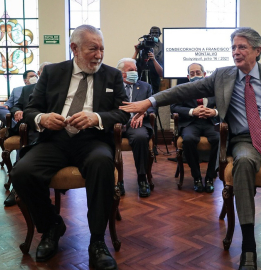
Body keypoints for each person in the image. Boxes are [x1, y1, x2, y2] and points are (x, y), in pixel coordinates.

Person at [121, 27, 261, 270]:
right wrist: (149, 101)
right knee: (243, 163)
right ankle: (248, 248)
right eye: (233, 47)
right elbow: (184, 90)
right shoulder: (222, 76)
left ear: (257, 50)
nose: (236, 51)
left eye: (242, 47)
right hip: (244, 139)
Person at [10, 25, 129, 269]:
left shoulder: (112, 75)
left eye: (102, 49)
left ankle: (97, 240)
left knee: (101, 164)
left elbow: (122, 113)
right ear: (74, 48)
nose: (98, 55)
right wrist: (42, 118)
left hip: (93, 140)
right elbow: (31, 109)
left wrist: (96, 118)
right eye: (92, 49)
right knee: (21, 172)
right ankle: (51, 226)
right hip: (55, 139)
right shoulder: (53, 72)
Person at [3, 62, 52, 207]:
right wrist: (17, 110)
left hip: (54, 128)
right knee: (29, 141)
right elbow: (16, 105)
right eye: (45, 72)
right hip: (31, 127)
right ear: (40, 73)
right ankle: (18, 187)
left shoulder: (62, 90)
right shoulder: (27, 89)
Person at [170, 63, 219, 193]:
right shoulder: (182, 89)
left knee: (219, 140)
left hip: (210, 122)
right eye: (192, 74)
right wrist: (192, 111)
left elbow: (225, 106)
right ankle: (196, 177)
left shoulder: (214, 88)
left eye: (198, 73)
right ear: (188, 76)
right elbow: (173, 107)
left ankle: (210, 177)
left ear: (204, 75)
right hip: (190, 123)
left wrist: (214, 112)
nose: (195, 76)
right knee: (189, 139)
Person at [116, 58, 155, 198]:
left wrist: (143, 113)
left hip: (137, 123)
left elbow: (153, 108)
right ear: (121, 74)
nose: (135, 73)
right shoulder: (113, 86)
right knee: (105, 139)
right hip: (117, 123)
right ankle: (117, 180)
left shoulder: (145, 87)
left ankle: (142, 178)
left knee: (140, 137)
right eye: (131, 70)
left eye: (136, 70)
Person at [132, 26, 164, 94]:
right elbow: (132, 63)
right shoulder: (143, 44)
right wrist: (137, 51)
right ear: (150, 34)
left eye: (156, 33)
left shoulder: (162, 46)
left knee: (154, 95)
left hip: (155, 75)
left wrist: (153, 59)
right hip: (141, 74)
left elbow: (161, 69)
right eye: (152, 33)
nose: (154, 35)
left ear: (159, 34)